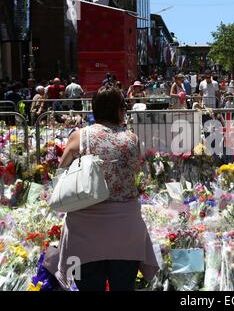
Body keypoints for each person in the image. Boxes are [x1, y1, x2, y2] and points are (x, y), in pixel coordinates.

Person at [47, 86, 159, 291]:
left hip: (84, 231)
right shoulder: (131, 139)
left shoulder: (79, 136)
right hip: (126, 229)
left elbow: (61, 173)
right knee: (124, 287)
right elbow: (134, 172)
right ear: (118, 110)